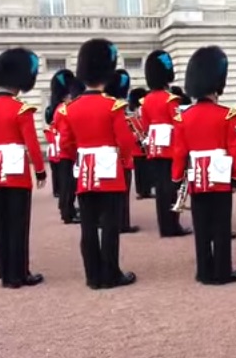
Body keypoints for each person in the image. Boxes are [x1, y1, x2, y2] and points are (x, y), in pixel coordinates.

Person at [59, 39, 137, 289]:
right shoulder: (113, 105)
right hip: (109, 171)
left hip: (85, 172)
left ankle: (92, 276)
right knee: (110, 226)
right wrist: (126, 162)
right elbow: (125, 141)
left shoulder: (71, 108)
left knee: (89, 225)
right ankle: (111, 274)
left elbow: (66, 145)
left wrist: (79, 159)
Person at [0, 47, 46, 289]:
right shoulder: (21, 109)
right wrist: (40, 170)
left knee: (0, 223)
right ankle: (19, 273)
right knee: (18, 223)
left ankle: (4, 273)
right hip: (16, 172)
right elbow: (32, 144)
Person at [172, 46, 236, 285]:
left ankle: (204, 270)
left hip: (197, 177)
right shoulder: (227, 114)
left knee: (201, 225)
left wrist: (176, 178)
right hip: (221, 177)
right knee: (221, 225)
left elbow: (179, 151)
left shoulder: (184, 117)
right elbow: (234, 149)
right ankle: (223, 271)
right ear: (217, 86)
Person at [141, 50, 191, 237]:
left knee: (161, 188)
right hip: (171, 146)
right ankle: (172, 225)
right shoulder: (171, 99)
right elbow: (179, 124)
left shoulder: (146, 100)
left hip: (155, 147)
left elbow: (146, 126)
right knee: (173, 187)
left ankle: (164, 225)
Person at [104, 68, 140, 234]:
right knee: (121, 193)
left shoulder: (105, 105)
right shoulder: (117, 108)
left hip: (99, 156)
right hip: (119, 157)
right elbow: (125, 139)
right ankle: (122, 223)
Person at [50, 69, 81, 224]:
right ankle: (68, 213)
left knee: (65, 184)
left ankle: (66, 209)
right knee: (69, 184)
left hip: (62, 151)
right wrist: (73, 152)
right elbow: (66, 135)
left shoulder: (59, 108)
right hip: (67, 152)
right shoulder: (65, 109)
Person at [128, 87, 153, 199]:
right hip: (137, 148)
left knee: (147, 169)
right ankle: (141, 190)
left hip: (146, 146)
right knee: (139, 170)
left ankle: (146, 189)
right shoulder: (132, 118)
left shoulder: (143, 112)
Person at [43, 105, 60, 197]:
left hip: (56, 153)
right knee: (56, 173)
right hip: (55, 153)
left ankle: (57, 190)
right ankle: (56, 190)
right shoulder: (49, 128)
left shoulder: (52, 127)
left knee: (56, 173)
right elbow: (51, 140)